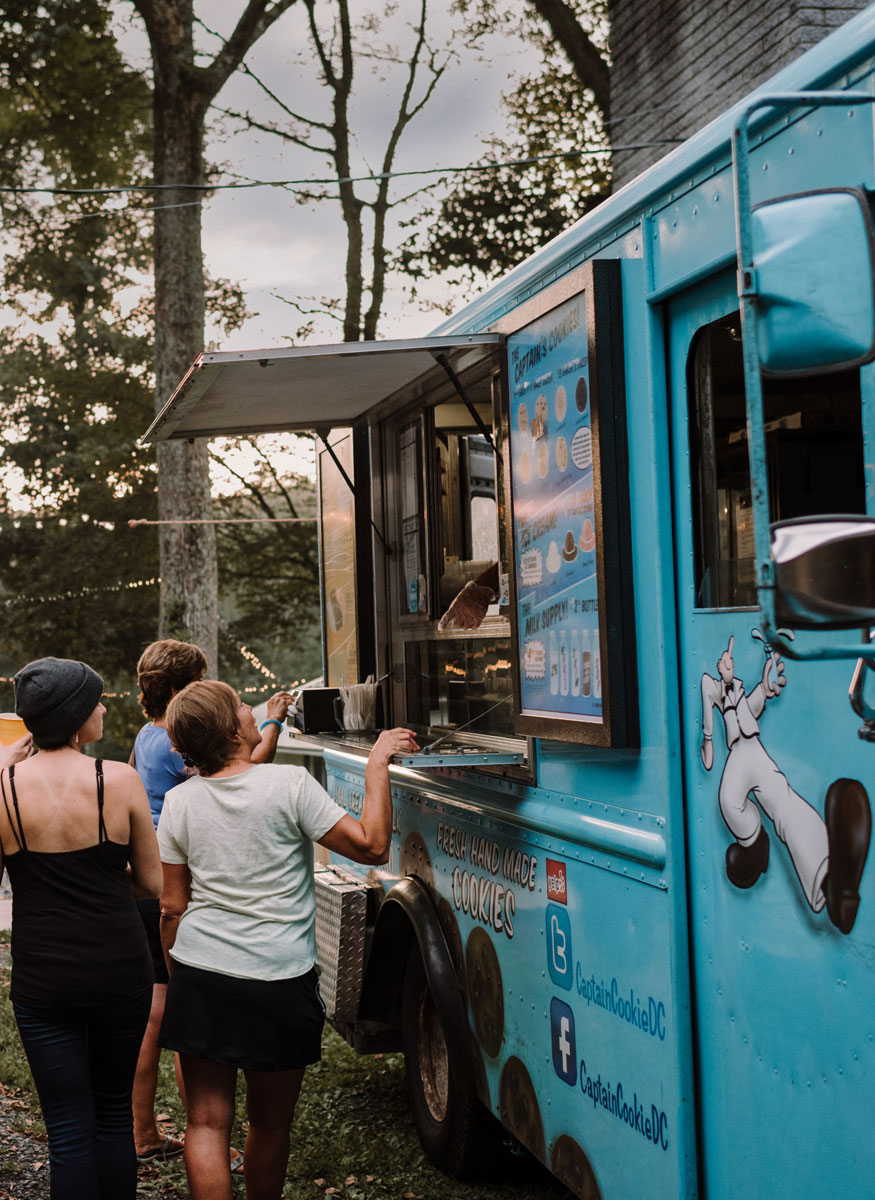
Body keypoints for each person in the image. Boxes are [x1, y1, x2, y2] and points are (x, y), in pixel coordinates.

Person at [158, 679, 418, 1200]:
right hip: (277, 980)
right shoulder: (289, 786)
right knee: (270, 1125)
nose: (253, 711)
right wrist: (376, 763)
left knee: (206, 1126)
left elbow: (172, 907)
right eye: (242, 705)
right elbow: (371, 846)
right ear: (233, 730)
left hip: (200, 974)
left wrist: (179, 972)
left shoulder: (179, 801)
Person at [1, 657, 161, 1200]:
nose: (100, 707)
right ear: (73, 716)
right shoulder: (117, 779)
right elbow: (151, 883)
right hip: (120, 969)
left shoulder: (3, 789)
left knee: (68, 1132)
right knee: (114, 1114)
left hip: (43, 978)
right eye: (93, 700)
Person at [130, 638, 292, 1167]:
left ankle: (155, 1126)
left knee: (161, 1014)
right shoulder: (175, 745)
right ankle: (169, 1127)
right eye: (199, 682)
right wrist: (271, 722)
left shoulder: (144, 737)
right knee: (166, 1015)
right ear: (179, 691)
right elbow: (246, 765)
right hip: (167, 889)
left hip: (149, 883)